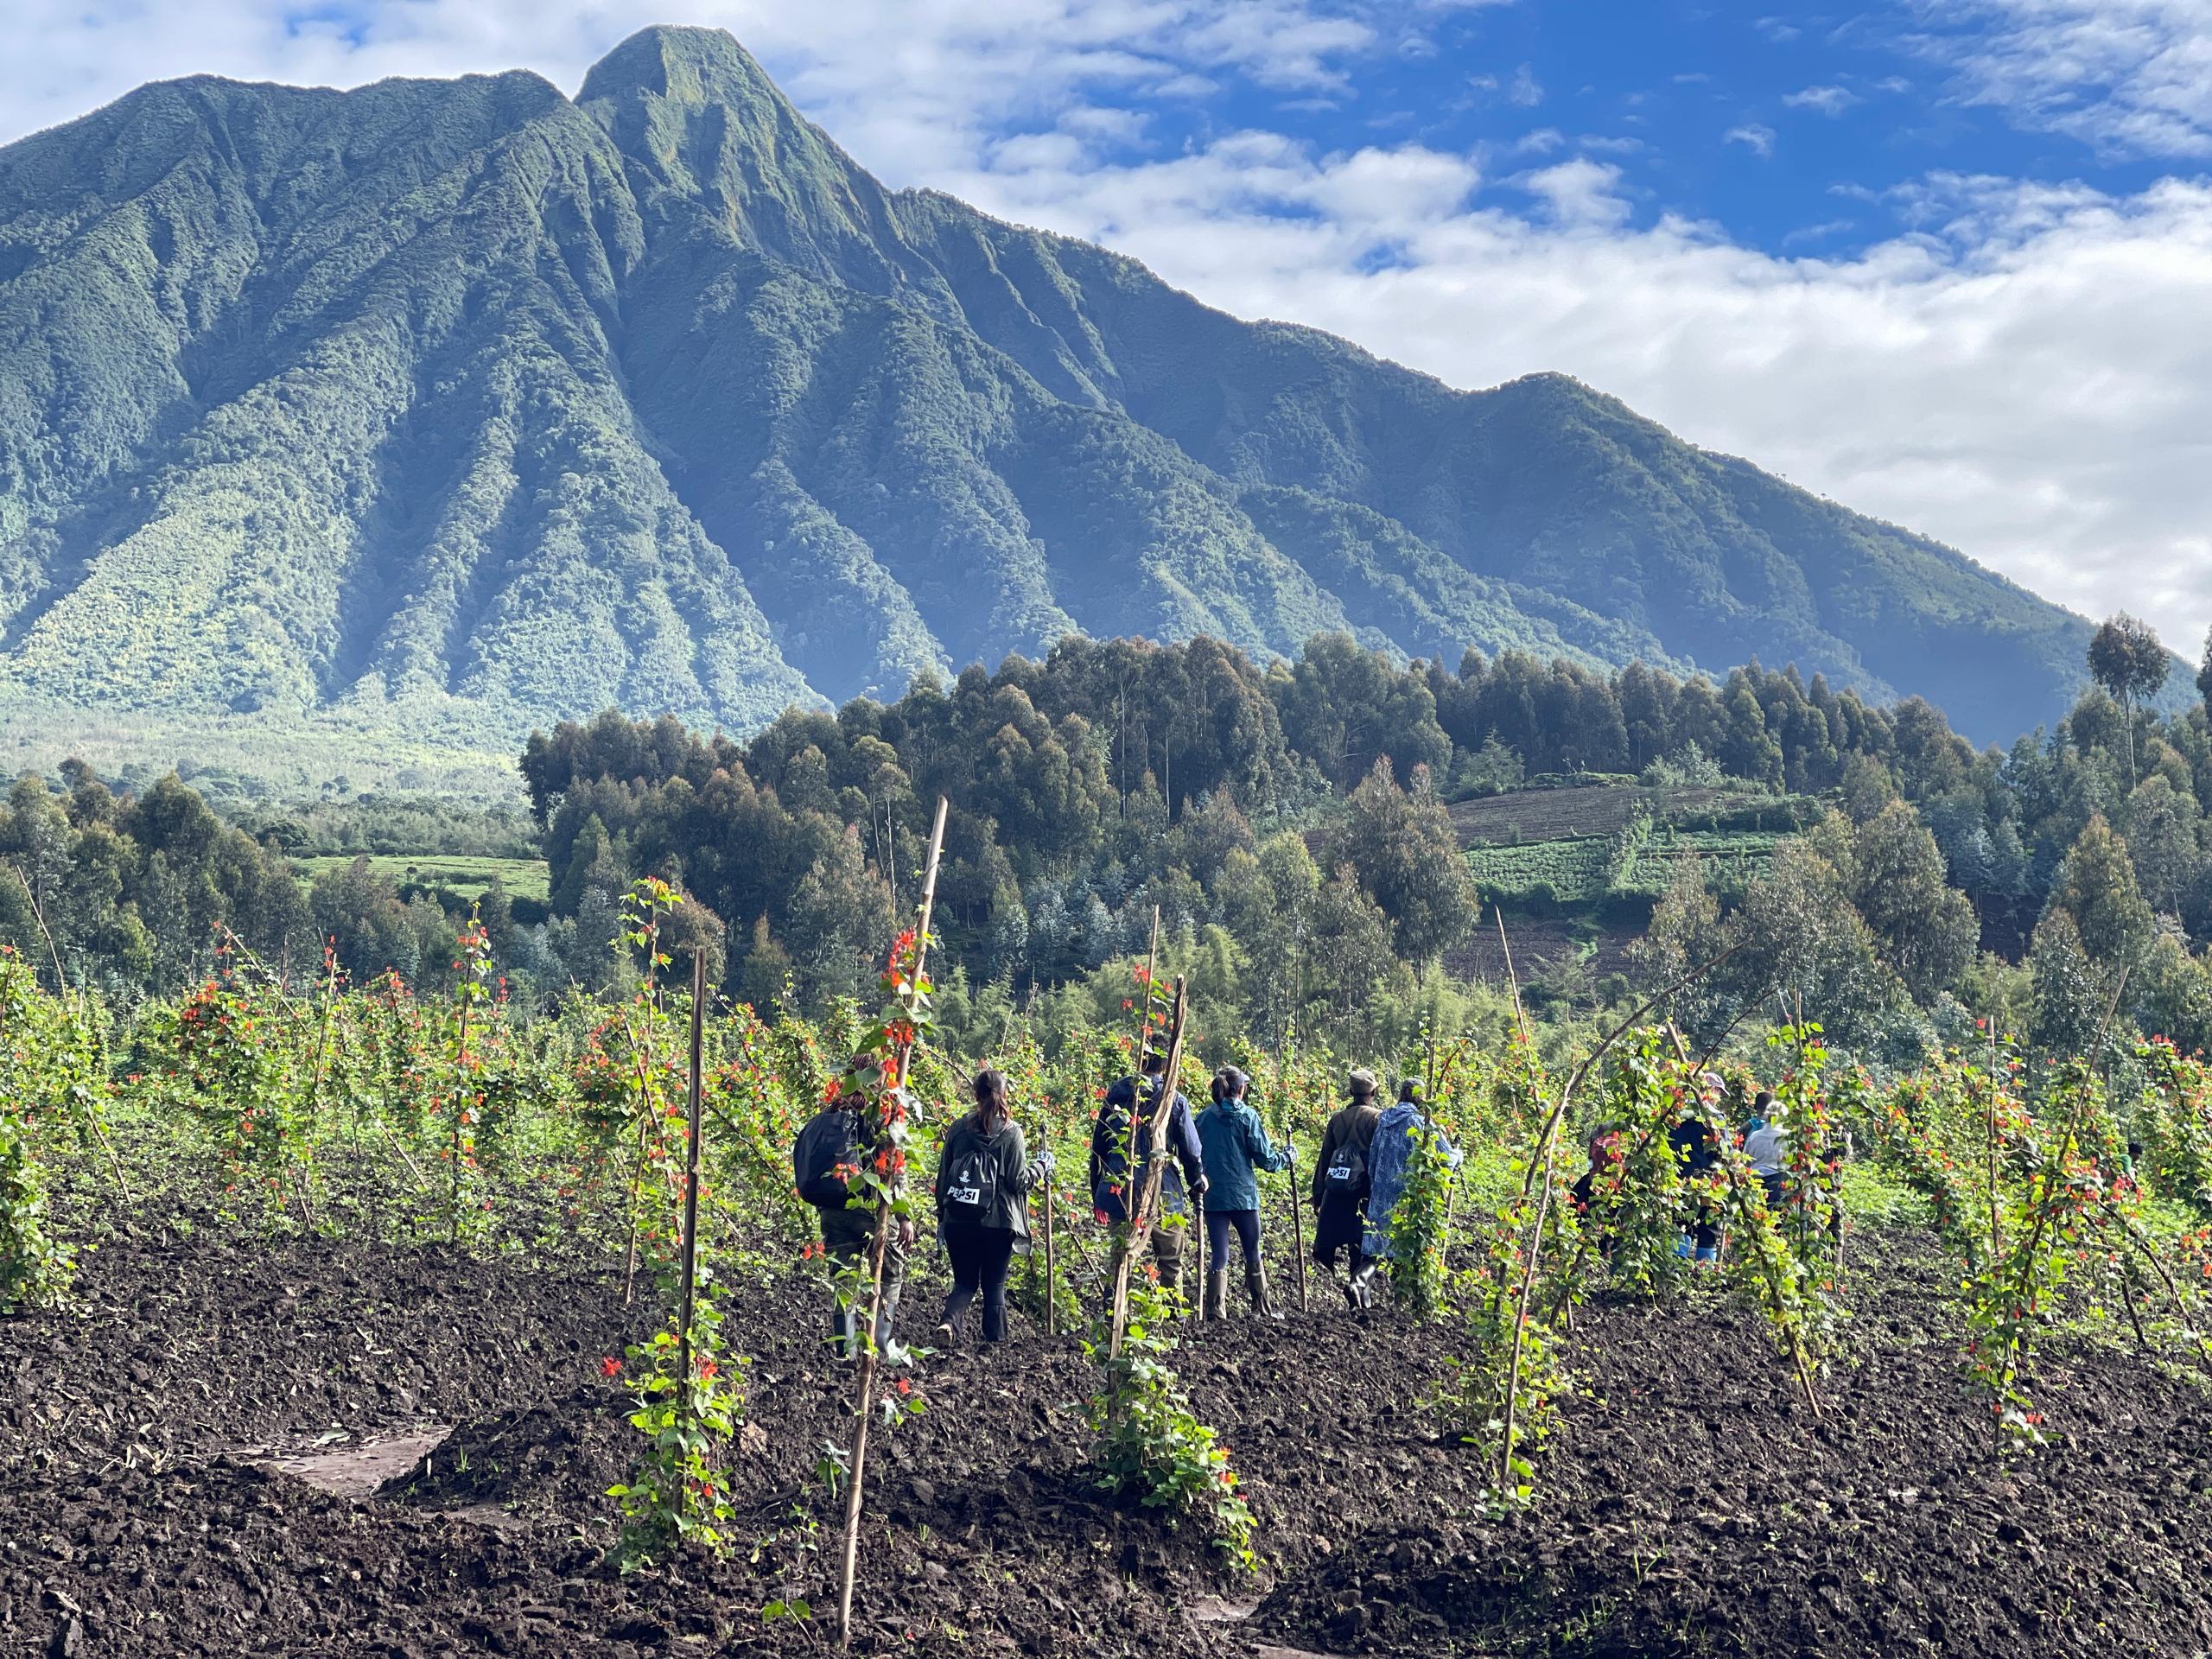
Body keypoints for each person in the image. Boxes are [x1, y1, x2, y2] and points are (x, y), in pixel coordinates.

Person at [793, 1060, 916, 1362]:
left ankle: (844, 1352)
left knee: (844, 1281)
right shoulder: (879, 1114)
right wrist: (903, 1215)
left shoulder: (830, 1112)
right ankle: (881, 1348)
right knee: (890, 1273)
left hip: (833, 1210)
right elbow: (893, 1164)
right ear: (878, 1076)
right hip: (869, 1209)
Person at [931, 1068, 1053, 1348]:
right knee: (994, 1285)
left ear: (976, 1094)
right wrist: (1042, 1166)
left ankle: (949, 1322)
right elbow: (1018, 1181)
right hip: (999, 1223)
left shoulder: (958, 1128)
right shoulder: (1012, 1133)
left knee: (964, 1282)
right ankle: (995, 1344)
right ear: (1005, 1094)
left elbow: (943, 1177)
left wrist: (943, 1215)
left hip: (959, 1218)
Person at [1090, 1047, 1208, 1300]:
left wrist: (1097, 1192)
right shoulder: (1172, 1098)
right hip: (1163, 1190)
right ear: (1166, 1065)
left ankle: (1115, 1318)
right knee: (1171, 1262)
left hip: (1121, 1189)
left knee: (1122, 1261)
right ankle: (1171, 1321)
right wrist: (1197, 1179)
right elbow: (1191, 1149)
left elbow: (1099, 1147)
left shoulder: (1117, 1092)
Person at [1195, 1065, 1294, 1319]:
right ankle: (1261, 1307)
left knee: (1219, 1253)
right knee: (1252, 1250)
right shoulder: (1248, 1117)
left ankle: (1216, 1311)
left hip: (1214, 1197)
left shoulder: (1203, 1118)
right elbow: (1267, 1160)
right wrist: (1288, 1157)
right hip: (1244, 1198)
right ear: (1240, 1089)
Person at [1363, 1079, 1460, 1296]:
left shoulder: (1384, 1120)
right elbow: (1445, 1160)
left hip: (1381, 1192)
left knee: (1375, 1246)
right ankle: (1403, 1299)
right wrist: (1457, 1154)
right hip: (1408, 1195)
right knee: (1406, 1249)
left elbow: (1373, 1157)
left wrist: (1375, 1184)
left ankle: (1359, 1282)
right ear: (1420, 1097)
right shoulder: (1421, 1123)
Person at [1311, 1068, 1384, 1310]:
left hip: (1338, 1190)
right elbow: (1379, 1160)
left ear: (1352, 1091)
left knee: (1353, 1244)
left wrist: (1318, 1195)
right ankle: (1360, 1294)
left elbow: (1325, 1158)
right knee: (1364, 1246)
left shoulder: (1337, 1119)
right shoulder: (1378, 1119)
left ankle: (1360, 1303)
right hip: (1364, 1191)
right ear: (1373, 1092)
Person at [1669, 1083, 1723, 1269]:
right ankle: (1705, 1276)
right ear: (1711, 1092)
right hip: (1708, 1184)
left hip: (1680, 1181)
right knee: (1708, 1229)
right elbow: (1726, 1153)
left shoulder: (1675, 1117)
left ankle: (1676, 1270)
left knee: (1681, 1224)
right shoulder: (1714, 1119)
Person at [1568, 1123, 1622, 1260]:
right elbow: (1591, 1162)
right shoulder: (1600, 1137)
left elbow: (1590, 1163)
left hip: (1604, 1184)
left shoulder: (1608, 1139)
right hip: (1602, 1185)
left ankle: (1598, 1248)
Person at [1743, 1091, 1787, 1211]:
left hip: (1756, 1182)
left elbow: (1745, 1162)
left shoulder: (1754, 1136)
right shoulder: (1787, 1137)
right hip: (1778, 1182)